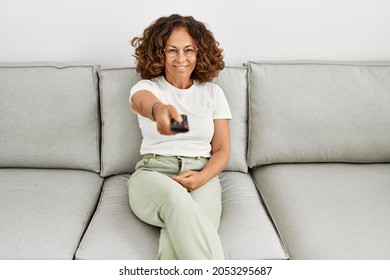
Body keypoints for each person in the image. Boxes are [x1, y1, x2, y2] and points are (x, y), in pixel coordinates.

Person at [127, 14, 232, 260]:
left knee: (189, 228)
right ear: (159, 53)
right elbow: (144, 102)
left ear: (200, 52)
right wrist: (160, 110)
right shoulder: (148, 88)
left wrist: (202, 177)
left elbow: (222, 149)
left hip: (202, 175)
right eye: (172, 50)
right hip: (154, 173)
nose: (181, 58)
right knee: (178, 203)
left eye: (189, 50)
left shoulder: (213, 93)